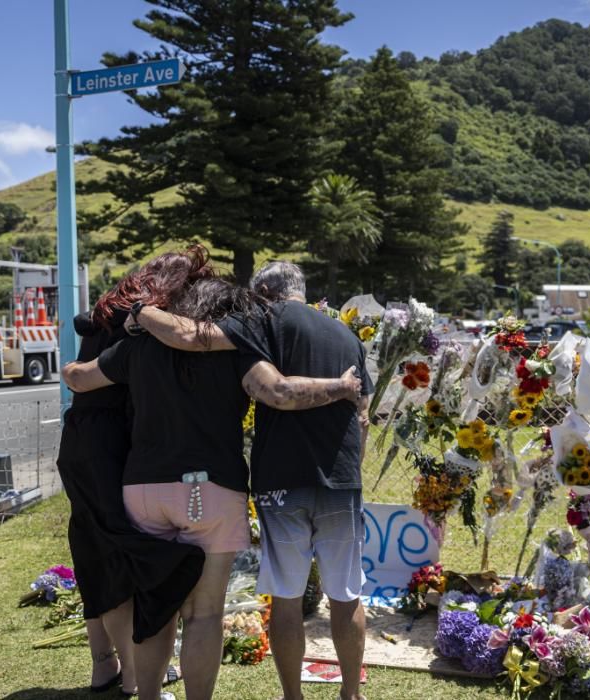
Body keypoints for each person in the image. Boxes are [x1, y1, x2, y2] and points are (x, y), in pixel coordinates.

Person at [63, 277, 362, 700]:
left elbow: (79, 378)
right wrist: (342, 388)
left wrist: (81, 360)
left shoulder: (136, 347)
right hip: (214, 489)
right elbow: (276, 390)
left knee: (155, 605)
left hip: (145, 488)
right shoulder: (239, 353)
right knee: (204, 614)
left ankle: (147, 695)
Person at [56, 245, 216, 697]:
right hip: (110, 441)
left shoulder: (111, 308)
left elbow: (81, 341)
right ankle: (133, 676)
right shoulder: (144, 319)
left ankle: (104, 667)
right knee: (125, 559)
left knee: (93, 549)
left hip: (78, 440)